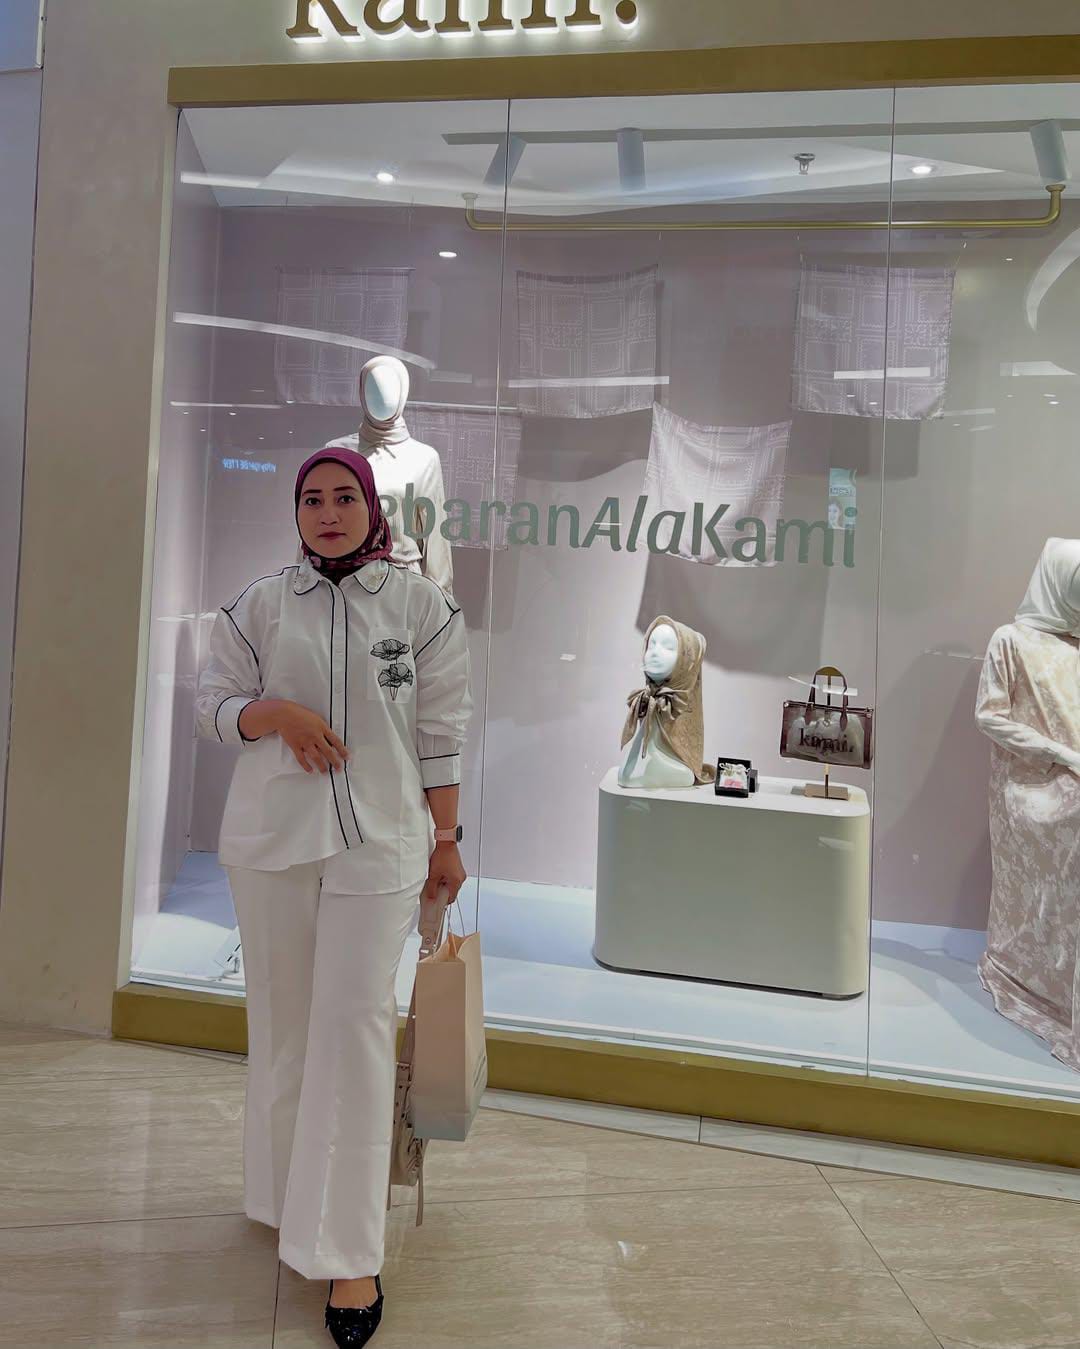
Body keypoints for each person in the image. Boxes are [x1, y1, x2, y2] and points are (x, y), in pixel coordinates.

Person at [195, 445, 472, 1347]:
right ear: (296, 512)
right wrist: (274, 714)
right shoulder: (261, 603)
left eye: (344, 495)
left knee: (354, 1030)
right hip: (272, 845)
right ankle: (286, 1198)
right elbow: (211, 705)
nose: (326, 511)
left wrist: (446, 838)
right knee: (281, 1026)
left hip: (382, 847)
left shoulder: (421, 606)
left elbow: (442, 729)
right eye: (311, 498)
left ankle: (351, 1253)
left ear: (371, 506)